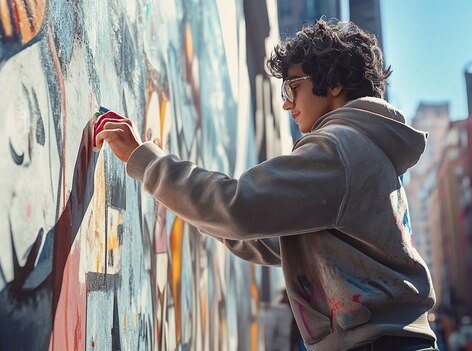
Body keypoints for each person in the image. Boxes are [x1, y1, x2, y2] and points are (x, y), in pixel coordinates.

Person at [94, 18, 437, 351]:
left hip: (375, 344)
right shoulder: (363, 150)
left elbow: (239, 207)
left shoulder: (339, 147)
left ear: (334, 85)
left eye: (293, 86)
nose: (286, 102)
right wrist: (198, 207)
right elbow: (268, 240)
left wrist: (146, 160)